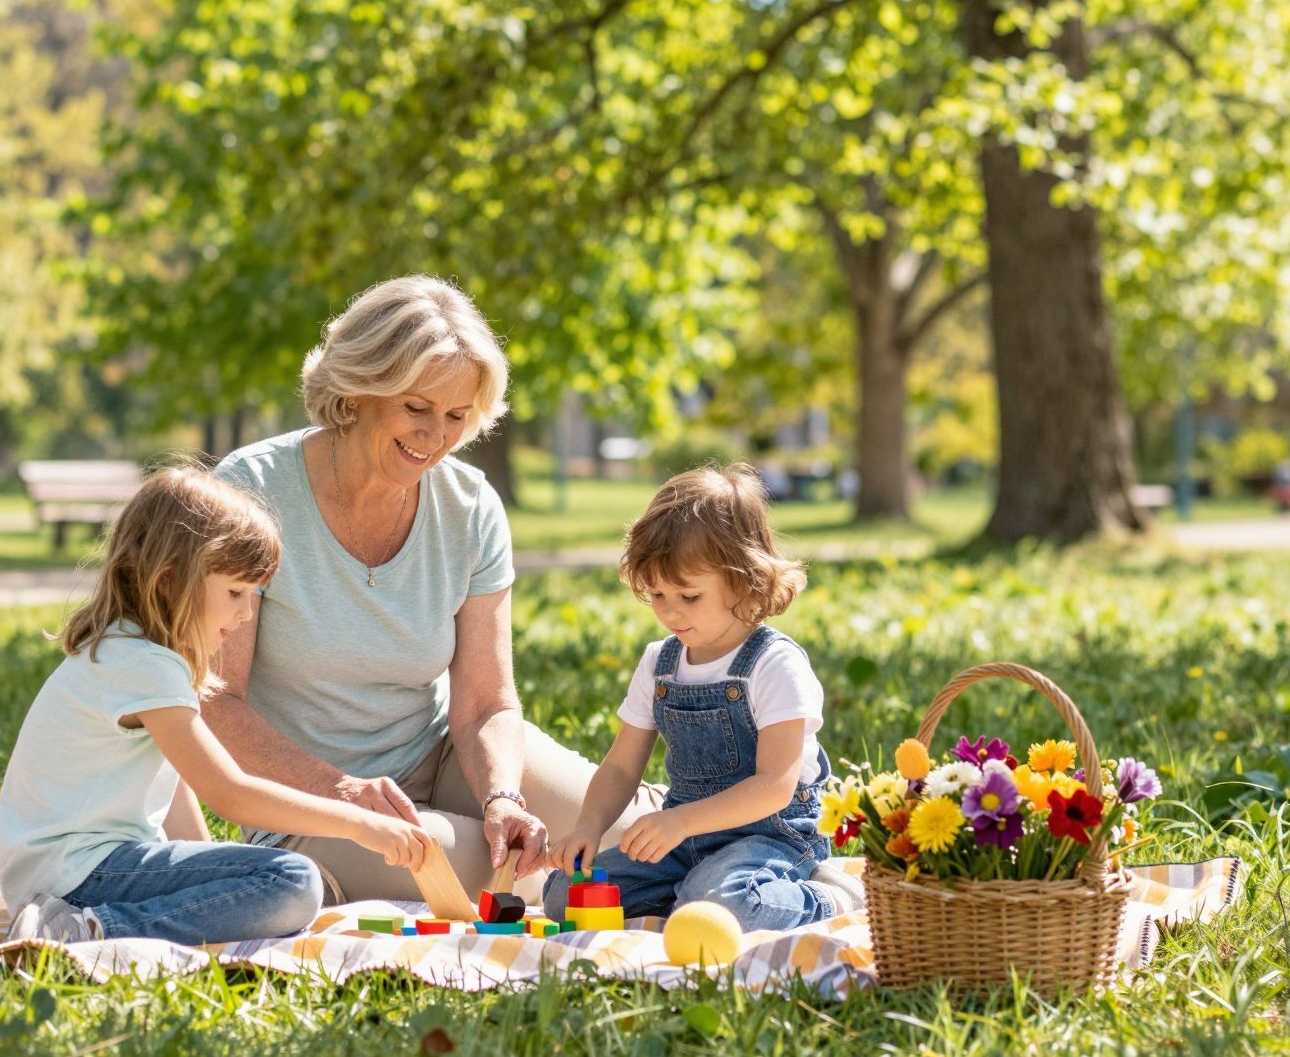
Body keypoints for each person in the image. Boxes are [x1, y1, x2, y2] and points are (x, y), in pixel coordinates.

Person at [207, 275, 658, 903]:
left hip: (444, 756)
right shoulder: (251, 491)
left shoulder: (469, 507)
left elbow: (486, 704)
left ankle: (721, 828)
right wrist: (343, 793)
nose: (435, 437)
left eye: (455, 416)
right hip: (308, 807)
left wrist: (503, 796)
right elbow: (217, 700)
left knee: (628, 837)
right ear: (359, 388)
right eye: (416, 408)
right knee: (502, 872)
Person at [0, 464, 432, 945]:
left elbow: (175, 785)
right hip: (78, 875)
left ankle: (85, 922)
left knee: (276, 880)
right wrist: (358, 823)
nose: (246, 614)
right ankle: (86, 931)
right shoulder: (143, 664)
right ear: (168, 582)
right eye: (235, 592)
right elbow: (228, 792)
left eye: (253, 594)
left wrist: (211, 868)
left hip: (63, 872)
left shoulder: (133, 651)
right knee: (293, 879)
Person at [546, 464, 839, 931]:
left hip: (773, 838)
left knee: (723, 904)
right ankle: (692, 900)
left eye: (688, 595)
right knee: (566, 897)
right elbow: (622, 767)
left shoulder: (774, 664)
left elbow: (775, 786)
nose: (668, 612)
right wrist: (588, 827)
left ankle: (826, 899)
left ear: (743, 579)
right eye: (657, 594)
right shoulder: (660, 663)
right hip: (686, 843)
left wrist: (680, 823)